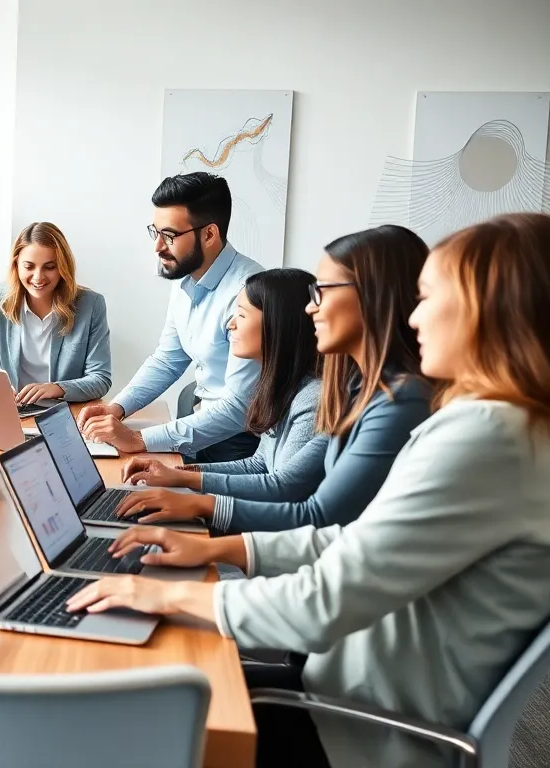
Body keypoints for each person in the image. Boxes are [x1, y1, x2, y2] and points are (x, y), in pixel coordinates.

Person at [65, 212, 550, 768]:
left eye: (430, 297)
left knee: (128, 707)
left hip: (360, 730)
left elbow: (328, 595)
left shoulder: (486, 435)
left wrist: (166, 595)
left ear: (492, 309)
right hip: (350, 692)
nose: (413, 315)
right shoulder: (501, 427)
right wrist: (218, 548)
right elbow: (351, 542)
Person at [113, 226, 432, 534]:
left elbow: (302, 502)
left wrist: (199, 503)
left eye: (322, 291)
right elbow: (261, 466)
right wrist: (178, 474)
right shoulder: (341, 390)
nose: (311, 308)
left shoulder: (379, 399)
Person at [76, 172, 265, 463]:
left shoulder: (250, 293)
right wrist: (117, 408)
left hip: (238, 441)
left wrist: (139, 439)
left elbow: (239, 408)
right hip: (198, 421)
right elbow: (168, 359)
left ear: (209, 235)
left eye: (170, 236)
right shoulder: (185, 278)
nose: (158, 247)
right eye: (156, 232)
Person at [121, 268, 326, 504]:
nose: (230, 324)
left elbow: (282, 489)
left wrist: (187, 483)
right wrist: (177, 473)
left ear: (277, 324)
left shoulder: (311, 400)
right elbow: (258, 465)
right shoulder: (280, 387)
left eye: (242, 315)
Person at [0, 221, 113, 404]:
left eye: (49, 267)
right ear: (16, 265)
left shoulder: (91, 304)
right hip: (15, 408)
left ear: (63, 267)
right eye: (29, 267)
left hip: (65, 410)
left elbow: (100, 378)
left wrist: (56, 388)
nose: (38, 277)